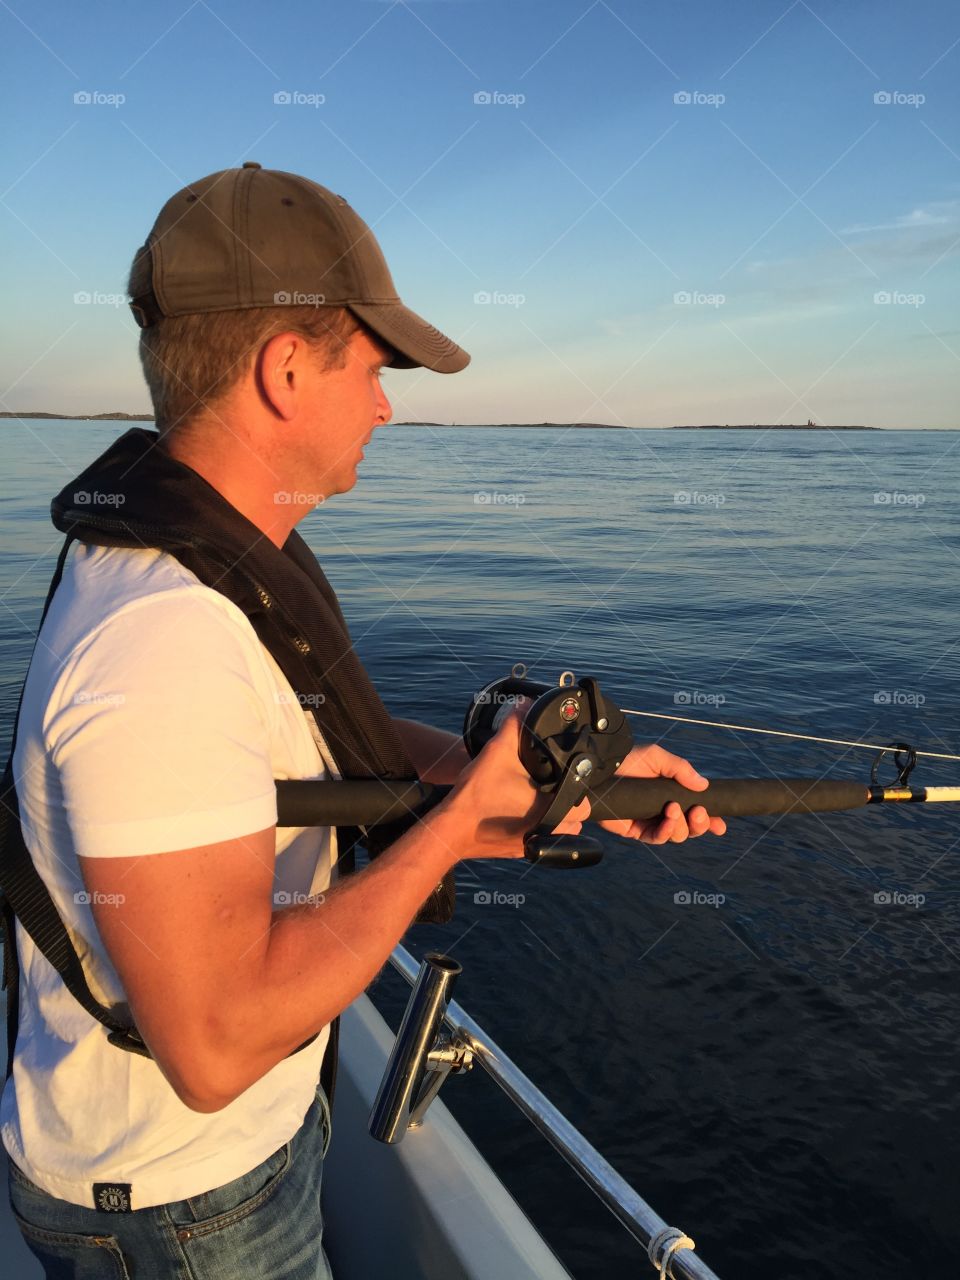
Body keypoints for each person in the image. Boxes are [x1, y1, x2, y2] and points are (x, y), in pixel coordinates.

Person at [0, 162, 726, 1278]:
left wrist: (561, 793)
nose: (388, 404)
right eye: (375, 368)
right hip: (178, 1202)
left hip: (227, 1163)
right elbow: (215, 1041)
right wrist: (459, 821)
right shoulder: (161, 638)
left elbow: (321, 746)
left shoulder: (216, 570)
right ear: (288, 368)